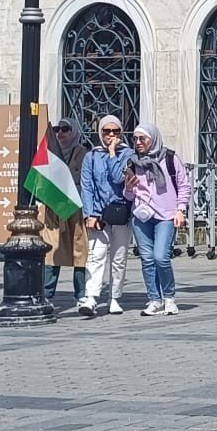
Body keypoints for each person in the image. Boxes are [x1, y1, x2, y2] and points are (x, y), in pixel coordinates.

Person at [125, 121, 191, 316]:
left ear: (153, 139)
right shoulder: (132, 162)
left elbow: (184, 185)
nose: (138, 142)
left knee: (160, 257)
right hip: (141, 216)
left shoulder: (169, 158)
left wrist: (180, 210)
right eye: (135, 139)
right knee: (147, 259)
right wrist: (128, 188)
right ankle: (154, 299)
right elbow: (128, 196)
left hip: (166, 215)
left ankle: (169, 298)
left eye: (142, 139)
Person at [76, 116, 133, 318]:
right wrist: (89, 214)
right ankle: (91, 296)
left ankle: (114, 297)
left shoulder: (128, 154)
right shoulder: (91, 156)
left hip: (121, 212)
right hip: (99, 213)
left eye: (115, 131)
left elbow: (118, 177)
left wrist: (112, 153)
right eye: (106, 131)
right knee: (95, 255)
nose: (111, 135)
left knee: (118, 257)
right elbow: (87, 186)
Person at [37, 118, 88, 305]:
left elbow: (86, 180)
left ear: (74, 131)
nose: (60, 133)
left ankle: (81, 293)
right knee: (52, 249)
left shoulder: (83, 153)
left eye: (65, 129)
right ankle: (47, 293)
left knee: (79, 249)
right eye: (57, 129)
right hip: (54, 207)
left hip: (76, 207)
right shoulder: (50, 153)